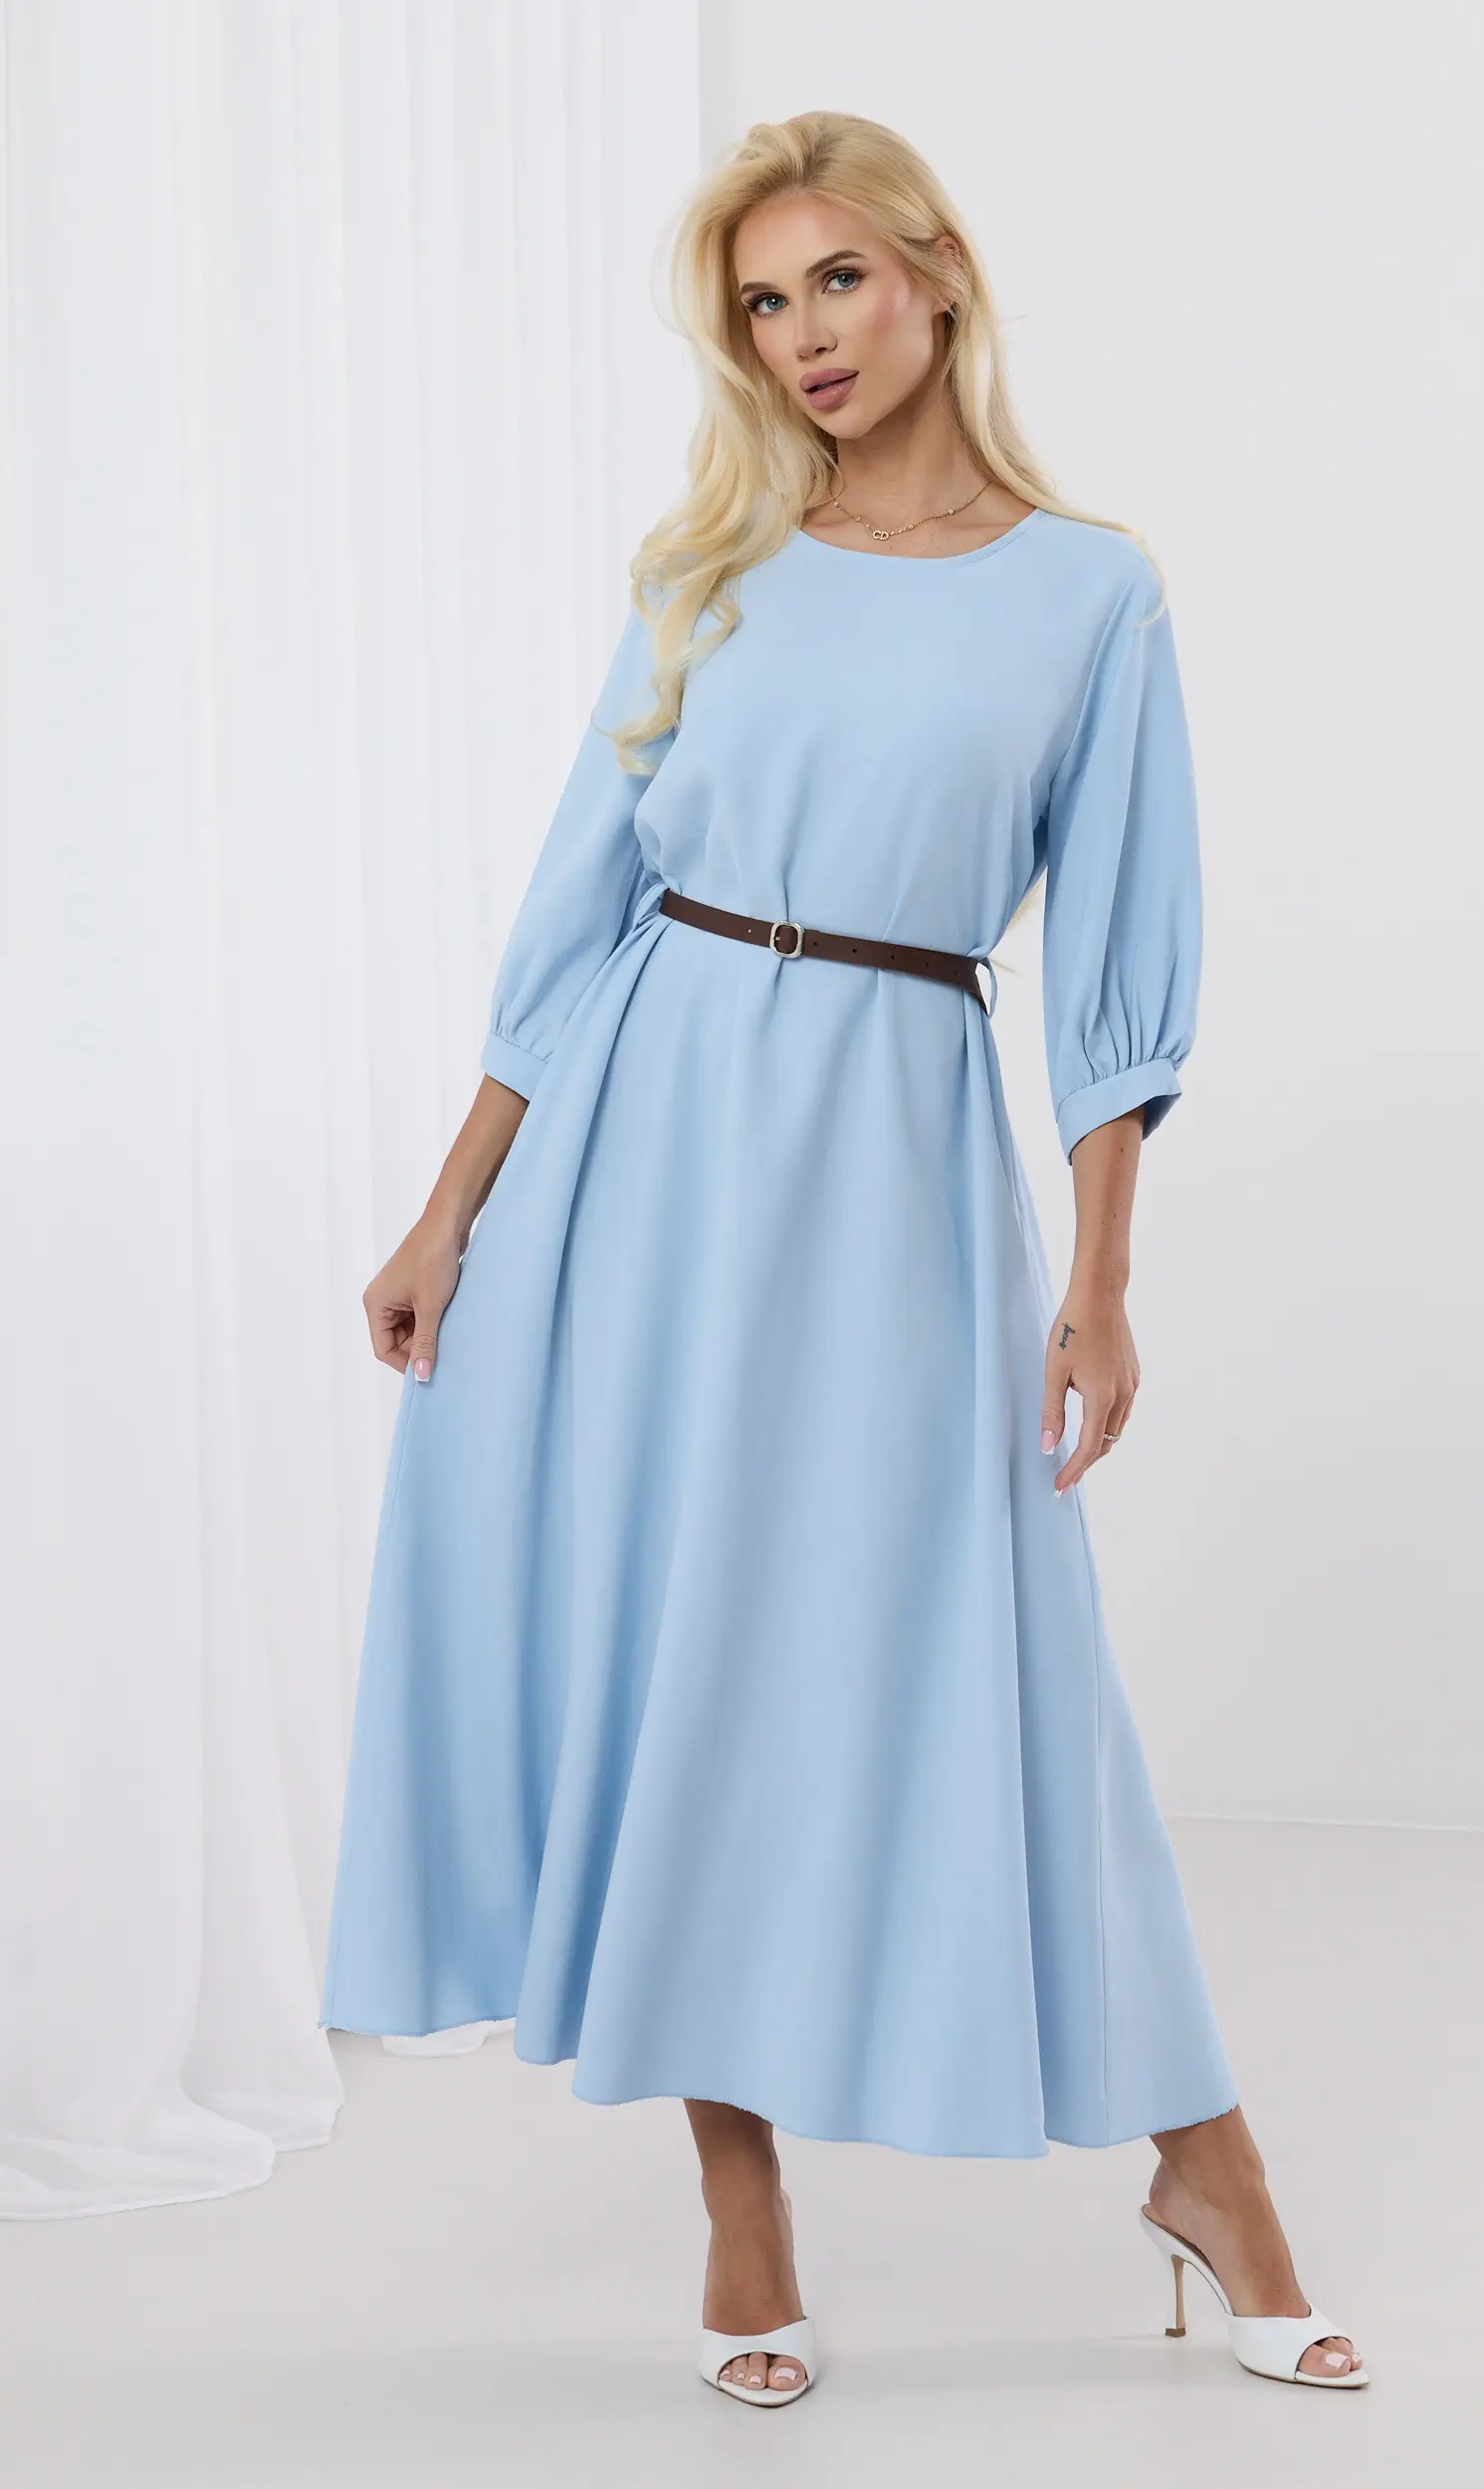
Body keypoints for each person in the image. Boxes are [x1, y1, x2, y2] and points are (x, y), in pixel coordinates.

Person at [319, 110, 1367, 2404]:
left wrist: (1099, 1277)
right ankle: (742, 2204)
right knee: (674, 1647)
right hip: (636, 1137)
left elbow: (1120, 971)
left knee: (993, 1647)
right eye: (760, 304)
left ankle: (1205, 2161)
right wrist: (447, 1204)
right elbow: (571, 909)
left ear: (933, 276)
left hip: (890, 1142)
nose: (800, 335)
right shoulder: (710, 566)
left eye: (834, 282)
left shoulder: (1086, 592)